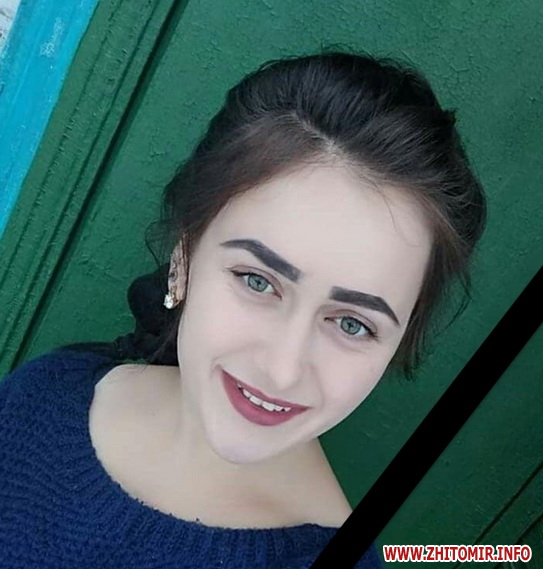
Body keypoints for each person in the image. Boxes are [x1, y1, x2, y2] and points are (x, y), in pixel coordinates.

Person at [0, 50, 486, 568]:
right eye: (258, 281)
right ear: (184, 259)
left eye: (352, 323)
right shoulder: (46, 395)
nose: (282, 370)